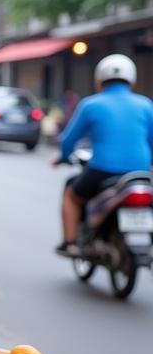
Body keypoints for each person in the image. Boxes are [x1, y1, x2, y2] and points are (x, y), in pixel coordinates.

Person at [55, 54, 153, 256]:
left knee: (72, 195)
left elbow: (68, 141)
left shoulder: (90, 105)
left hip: (102, 171)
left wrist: (63, 157)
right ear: (131, 81)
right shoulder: (145, 105)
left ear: (99, 82)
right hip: (140, 174)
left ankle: (71, 242)